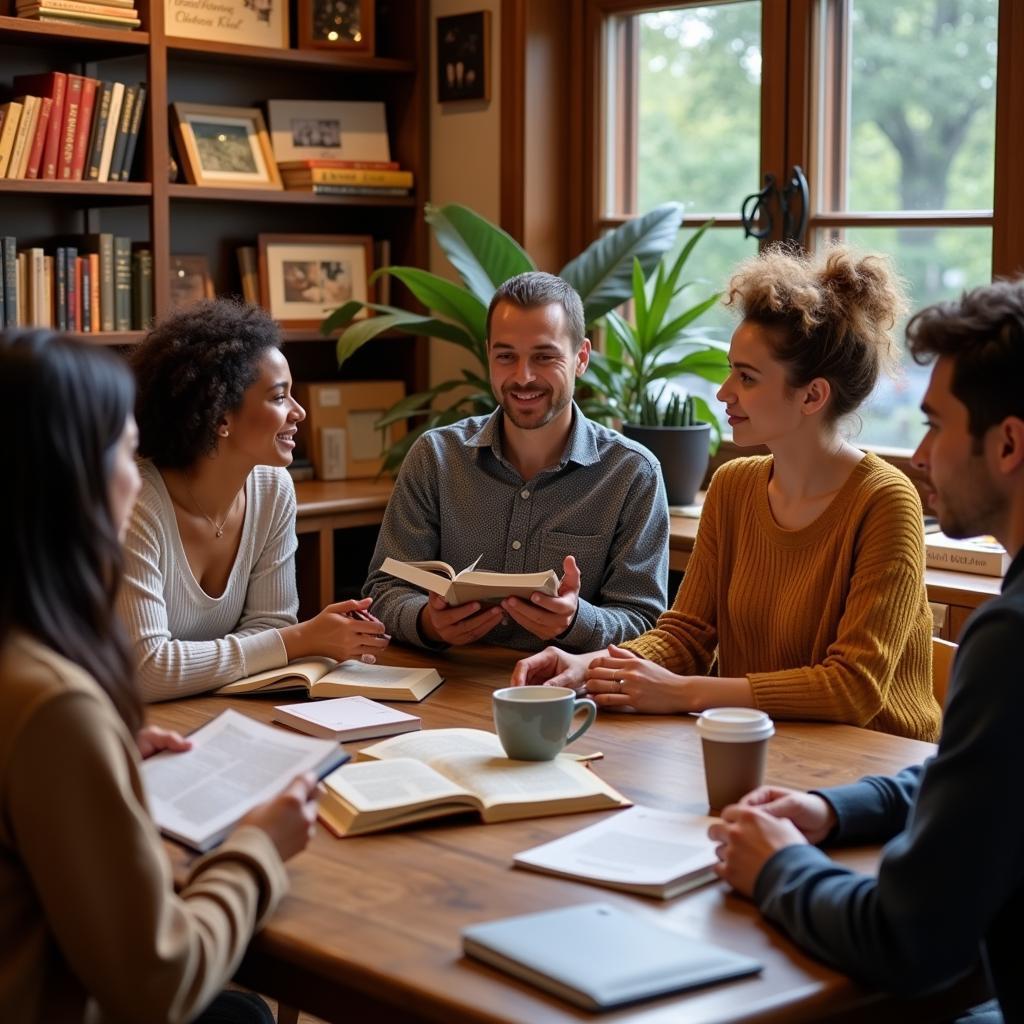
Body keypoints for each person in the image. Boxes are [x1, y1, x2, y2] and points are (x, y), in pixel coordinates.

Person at [709, 280, 1024, 1024]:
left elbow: (908, 938)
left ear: (1008, 443)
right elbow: (977, 779)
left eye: (935, 425)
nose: (920, 455)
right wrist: (832, 809)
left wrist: (777, 865)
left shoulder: (1011, 639)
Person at [0, 328, 319, 1023]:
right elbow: (159, 983)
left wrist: (102, 751)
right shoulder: (51, 702)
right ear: (72, 472)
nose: (134, 468)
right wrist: (258, 847)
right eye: (122, 444)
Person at [513, 245, 940, 742]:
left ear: (812, 395)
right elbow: (686, 635)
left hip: (879, 770)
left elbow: (852, 689)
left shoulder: (885, 502)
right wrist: (589, 666)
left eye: (746, 377)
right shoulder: (733, 485)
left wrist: (686, 693)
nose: (723, 392)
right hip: (764, 745)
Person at [362, 271, 669, 653]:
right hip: (445, 684)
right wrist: (428, 621)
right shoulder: (435, 458)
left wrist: (576, 620)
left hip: (568, 693)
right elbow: (383, 589)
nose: (523, 377)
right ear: (489, 355)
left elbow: (645, 622)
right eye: (506, 356)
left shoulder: (632, 474)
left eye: (544, 357)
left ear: (581, 358)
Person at [119, 299, 388, 701]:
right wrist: (301, 639)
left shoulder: (273, 489)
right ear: (220, 417)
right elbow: (146, 670)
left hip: (207, 709)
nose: (299, 412)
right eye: (279, 398)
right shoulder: (135, 503)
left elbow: (269, 625)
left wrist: (286, 638)